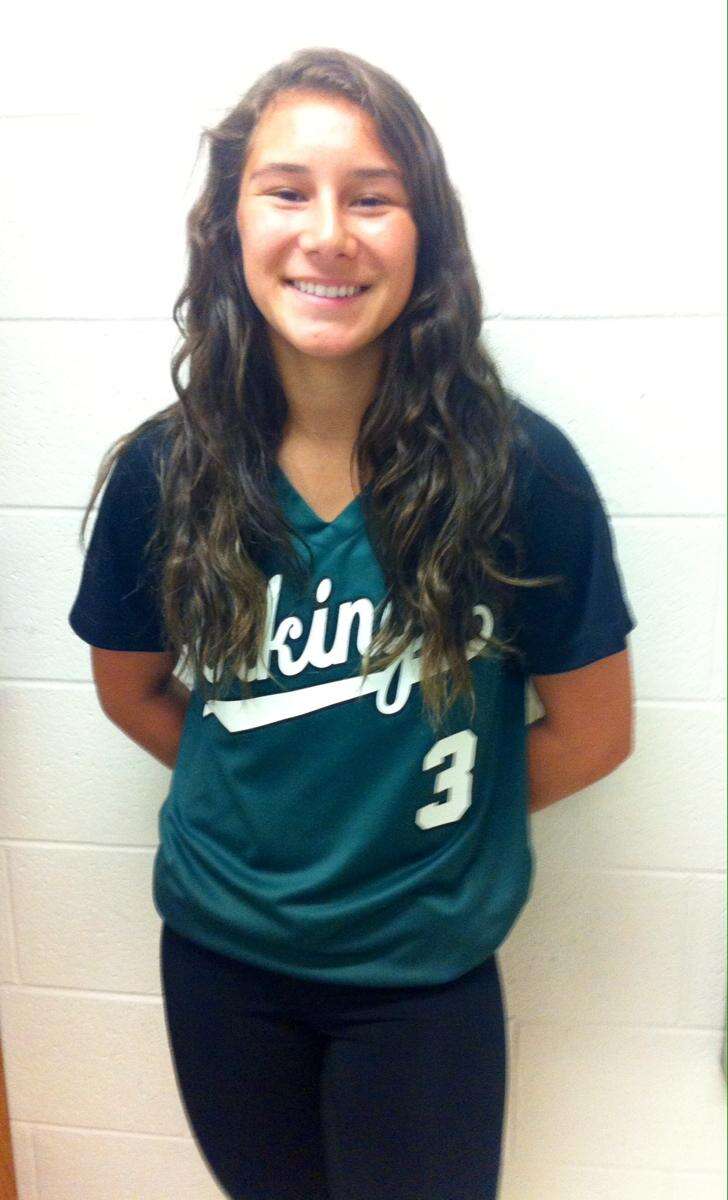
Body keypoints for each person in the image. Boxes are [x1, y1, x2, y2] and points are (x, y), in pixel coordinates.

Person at [68, 46, 637, 1200]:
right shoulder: (163, 474)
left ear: (425, 235)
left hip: (419, 978)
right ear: (230, 225)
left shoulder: (521, 473)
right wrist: (288, 794)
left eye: (371, 198)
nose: (327, 233)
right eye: (286, 190)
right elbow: (129, 689)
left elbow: (593, 735)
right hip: (221, 966)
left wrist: (403, 826)